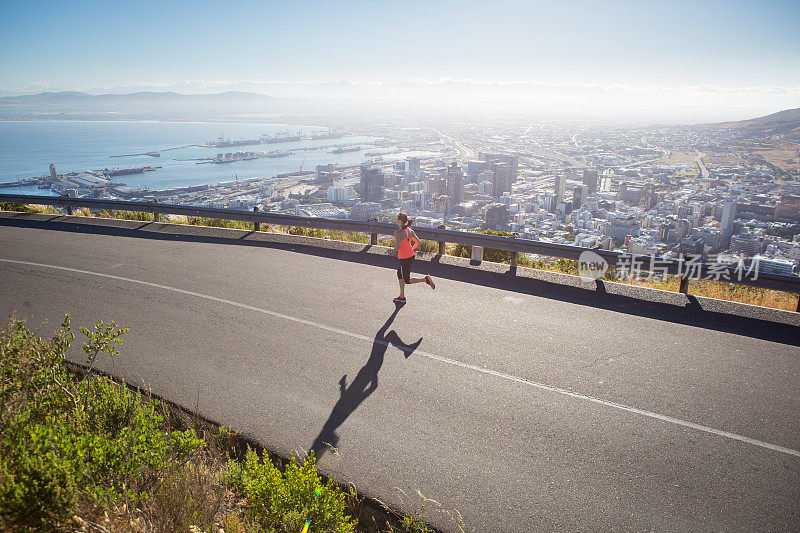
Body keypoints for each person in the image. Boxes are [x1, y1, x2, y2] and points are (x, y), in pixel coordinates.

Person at [392, 212, 435, 303]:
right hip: (410, 256)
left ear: (400, 220)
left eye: (397, 219)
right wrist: (412, 249)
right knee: (400, 274)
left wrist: (392, 251)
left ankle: (425, 279)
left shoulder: (398, 232)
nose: (396, 220)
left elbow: (398, 247)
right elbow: (418, 241)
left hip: (405, 258)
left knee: (407, 280)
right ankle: (402, 296)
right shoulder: (409, 231)